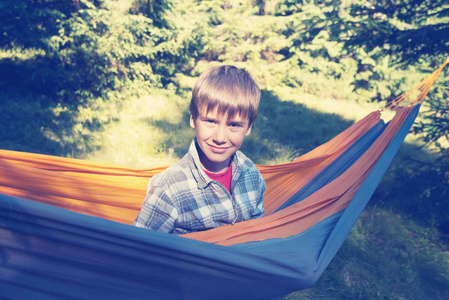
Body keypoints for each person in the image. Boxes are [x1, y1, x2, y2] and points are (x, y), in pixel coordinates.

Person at [133, 65, 265, 234]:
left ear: (248, 128)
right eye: (210, 121)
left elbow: (258, 230)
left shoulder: (252, 175)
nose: (220, 137)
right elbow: (139, 245)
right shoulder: (169, 188)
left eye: (234, 125)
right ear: (193, 118)